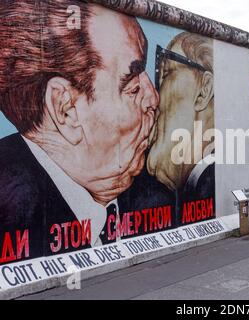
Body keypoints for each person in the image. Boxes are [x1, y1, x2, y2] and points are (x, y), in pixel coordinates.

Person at [0, 2, 160, 260]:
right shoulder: (12, 211)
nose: (153, 99)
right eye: (132, 88)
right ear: (65, 109)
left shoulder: (155, 197)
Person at [147, 32, 215, 224]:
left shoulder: (209, 184)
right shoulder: (194, 187)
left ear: (204, 90)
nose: (154, 97)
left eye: (166, 73)